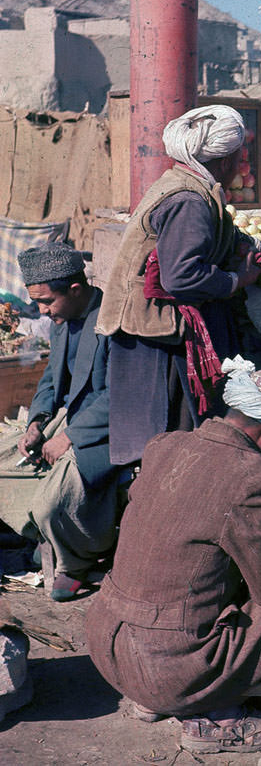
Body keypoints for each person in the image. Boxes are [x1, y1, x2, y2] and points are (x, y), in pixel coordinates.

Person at [86, 360, 261, 754]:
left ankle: (157, 697)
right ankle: (216, 715)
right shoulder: (254, 479)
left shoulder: (165, 445)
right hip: (168, 670)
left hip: (107, 646)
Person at [95, 104, 261, 469]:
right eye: (240, 156)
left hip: (155, 326)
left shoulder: (189, 182)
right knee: (166, 444)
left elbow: (214, 235)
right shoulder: (189, 199)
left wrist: (248, 245)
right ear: (227, 160)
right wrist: (237, 280)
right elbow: (181, 276)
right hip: (153, 334)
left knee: (166, 445)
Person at [10, 243, 120, 601]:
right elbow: (51, 382)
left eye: (47, 302)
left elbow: (120, 397)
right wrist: (38, 422)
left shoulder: (113, 322)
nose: (42, 312)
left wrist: (69, 437)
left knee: (51, 504)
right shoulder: (62, 319)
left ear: (75, 289)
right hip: (67, 420)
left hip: (106, 432)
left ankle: (76, 562)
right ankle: (37, 532)